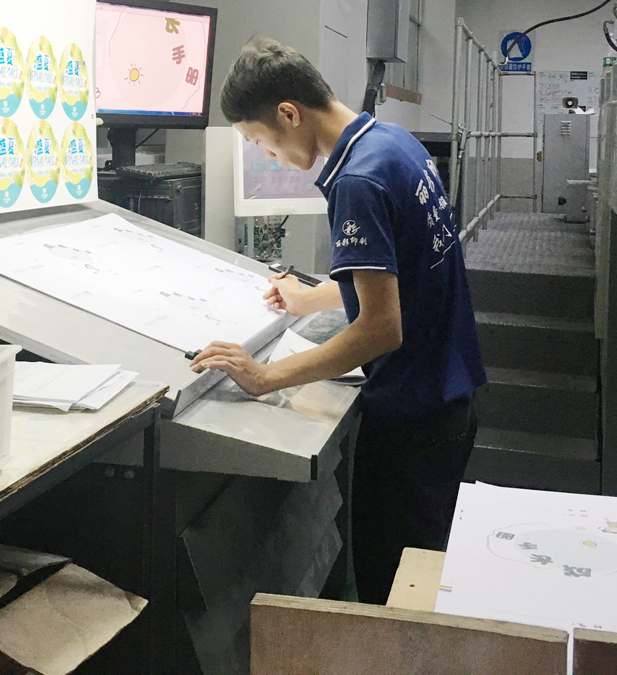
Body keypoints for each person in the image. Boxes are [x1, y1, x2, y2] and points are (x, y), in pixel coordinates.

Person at [190, 37, 486, 604]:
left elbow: (381, 328)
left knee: (392, 588)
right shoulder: (392, 143)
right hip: (450, 396)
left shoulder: (357, 181)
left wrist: (266, 376)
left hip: (413, 417)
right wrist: (309, 300)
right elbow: (400, 275)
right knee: (421, 568)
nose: (268, 155)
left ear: (289, 114)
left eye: (260, 141)